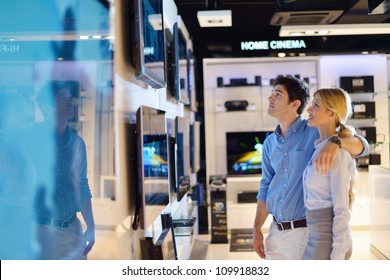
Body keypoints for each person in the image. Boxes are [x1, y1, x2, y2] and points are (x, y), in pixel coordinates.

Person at [252, 76, 368, 260]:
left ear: (294, 103)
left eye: (277, 94)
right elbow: (266, 186)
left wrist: (335, 142)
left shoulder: (315, 130)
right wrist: (257, 228)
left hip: (305, 232)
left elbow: (362, 146)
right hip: (276, 233)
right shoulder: (269, 143)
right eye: (271, 93)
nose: (270, 98)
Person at [25, 81, 95, 259]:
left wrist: (91, 226)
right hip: (42, 231)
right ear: (47, 107)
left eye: (70, 98)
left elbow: (82, 186)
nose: (70, 102)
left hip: (73, 229)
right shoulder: (31, 136)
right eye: (63, 98)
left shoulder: (77, 144)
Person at [302, 88, 357, 260]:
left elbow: (342, 210)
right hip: (315, 236)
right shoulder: (320, 147)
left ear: (332, 113)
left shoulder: (338, 153)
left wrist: (338, 256)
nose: (309, 110)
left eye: (316, 105)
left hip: (328, 240)